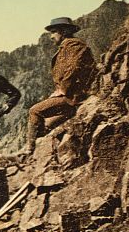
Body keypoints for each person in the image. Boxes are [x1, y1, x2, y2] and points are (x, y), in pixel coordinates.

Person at [26, 17, 97, 153]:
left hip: (74, 96)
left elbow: (73, 68)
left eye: (54, 32)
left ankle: (29, 151)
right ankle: (36, 155)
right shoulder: (66, 47)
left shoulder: (74, 46)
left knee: (34, 111)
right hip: (72, 96)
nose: (51, 36)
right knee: (45, 126)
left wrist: (63, 90)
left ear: (63, 32)